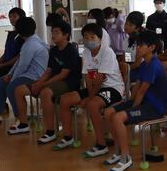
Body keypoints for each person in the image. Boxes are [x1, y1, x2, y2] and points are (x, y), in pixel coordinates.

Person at [103, 31, 167, 171]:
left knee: (118, 117)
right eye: (137, 45)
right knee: (108, 112)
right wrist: (129, 102)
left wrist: (131, 109)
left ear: (151, 47)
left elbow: (142, 91)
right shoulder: (145, 64)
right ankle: (119, 151)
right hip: (143, 102)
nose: (137, 48)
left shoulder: (154, 65)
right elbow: (137, 86)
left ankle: (126, 157)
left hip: (155, 107)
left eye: (141, 45)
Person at [54, 23, 125, 154]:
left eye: (93, 37)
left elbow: (100, 79)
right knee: (65, 99)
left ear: (100, 38)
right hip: (96, 89)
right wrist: (89, 95)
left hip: (113, 89)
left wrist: (89, 98)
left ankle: (101, 144)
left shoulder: (107, 52)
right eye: (86, 37)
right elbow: (87, 77)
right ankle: (68, 137)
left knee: (92, 105)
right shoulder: (86, 52)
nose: (89, 40)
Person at [7, 19, 81, 143]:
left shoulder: (71, 50)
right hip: (52, 81)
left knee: (45, 92)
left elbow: (63, 75)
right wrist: (39, 82)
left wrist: (44, 84)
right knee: (19, 90)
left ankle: (50, 132)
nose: (53, 35)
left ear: (66, 35)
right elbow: (48, 70)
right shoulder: (54, 50)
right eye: (52, 32)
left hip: (68, 83)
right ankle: (23, 124)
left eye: (57, 32)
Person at [0, 17, 49, 126]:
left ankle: (21, 117)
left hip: (35, 77)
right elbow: (19, 62)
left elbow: (22, 66)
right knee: (1, 82)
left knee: (11, 87)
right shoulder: (30, 41)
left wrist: (12, 78)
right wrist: (10, 74)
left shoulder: (30, 44)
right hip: (27, 74)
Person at [122, 10, 145, 82]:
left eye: (130, 25)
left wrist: (126, 70)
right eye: (126, 23)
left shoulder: (141, 41)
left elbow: (138, 63)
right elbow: (127, 59)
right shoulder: (126, 40)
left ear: (137, 28)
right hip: (131, 68)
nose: (126, 27)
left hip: (141, 70)